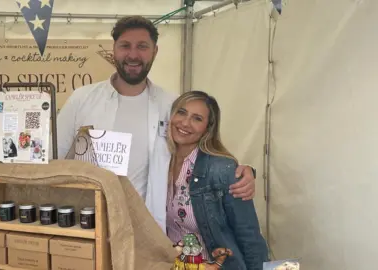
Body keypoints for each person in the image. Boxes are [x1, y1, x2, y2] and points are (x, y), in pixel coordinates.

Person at [56, 15, 256, 229]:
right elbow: (54, 157)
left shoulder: (171, 105)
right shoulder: (82, 99)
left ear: (155, 51)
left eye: (142, 46)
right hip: (89, 221)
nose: (133, 55)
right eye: (125, 46)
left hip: (147, 228)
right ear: (114, 49)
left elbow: (199, 156)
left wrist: (243, 171)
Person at [163, 90, 268, 269]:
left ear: (208, 128)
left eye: (197, 118)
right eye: (181, 112)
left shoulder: (222, 169)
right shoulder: (161, 161)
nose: (185, 123)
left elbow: (248, 235)